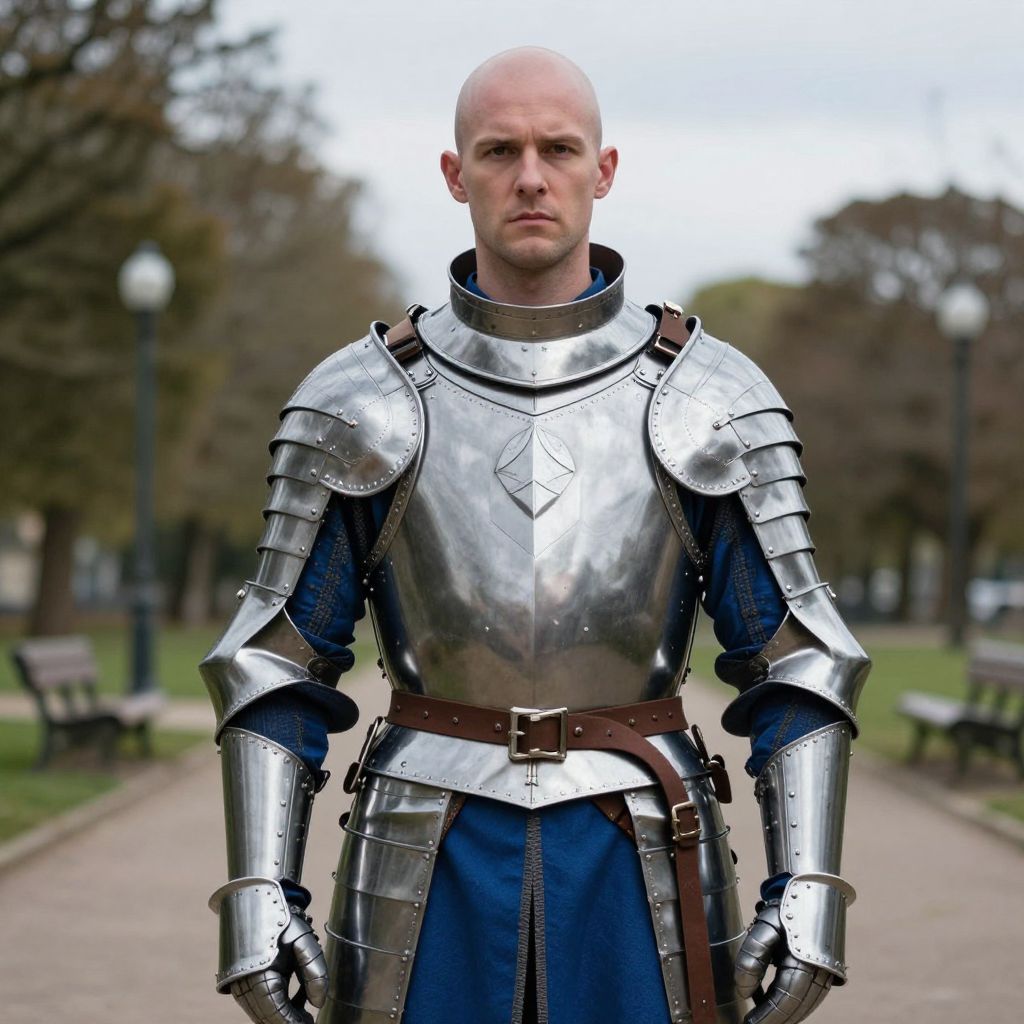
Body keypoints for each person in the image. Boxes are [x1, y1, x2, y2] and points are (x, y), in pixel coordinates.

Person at [201, 47, 870, 1024]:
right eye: (498, 149)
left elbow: (797, 659)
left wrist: (809, 885)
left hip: (642, 851)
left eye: (557, 149)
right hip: (421, 852)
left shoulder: (709, 399)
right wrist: (257, 895)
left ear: (602, 169)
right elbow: (275, 663)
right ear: (453, 172)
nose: (528, 176)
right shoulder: (360, 402)